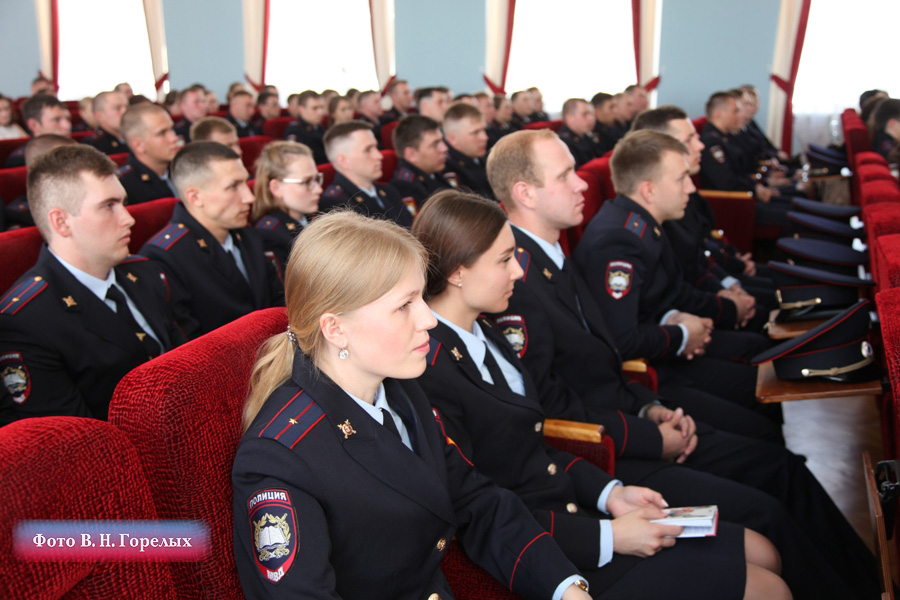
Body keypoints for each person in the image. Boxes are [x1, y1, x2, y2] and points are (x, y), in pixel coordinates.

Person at [485, 129, 881, 599]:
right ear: (525, 193)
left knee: (779, 470)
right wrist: (653, 434)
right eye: (566, 174)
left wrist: (652, 407)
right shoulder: (516, 284)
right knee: (772, 498)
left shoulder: (551, 259)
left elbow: (606, 361)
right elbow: (552, 409)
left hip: (633, 417)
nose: (584, 184)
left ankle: (867, 584)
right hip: (608, 454)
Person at [413, 190, 790, 599]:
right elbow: (481, 506)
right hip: (544, 552)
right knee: (767, 587)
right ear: (457, 272)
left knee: (763, 552)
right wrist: (606, 536)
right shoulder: (430, 370)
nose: (520, 273)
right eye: (505, 260)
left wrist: (612, 493)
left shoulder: (484, 333)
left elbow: (535, 447)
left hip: (573, 511)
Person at [232, 210, 592, 600]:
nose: (428, 319)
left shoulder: (401, 391)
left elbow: (477, 500)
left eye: (421, 297)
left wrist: (567, 588)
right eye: (404, 305)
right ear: (335, 329)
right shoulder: (280, 458)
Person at [574, 130, 773, 417]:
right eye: (681, 179)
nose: (690, 188)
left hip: (662, 345)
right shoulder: (619, 240)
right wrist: (681, 334)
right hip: (648, 373)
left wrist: (676, 318)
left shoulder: (644, 223)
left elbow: (663, 292)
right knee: (758, 389)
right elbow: (621, 339)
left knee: (758, 357)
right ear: (649, 190)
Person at [0, 145, 185, 425]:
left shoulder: (144, 272)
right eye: (108, 206)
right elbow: (71, 442)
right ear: (61, 222)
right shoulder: (27, 320)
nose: (128, 218)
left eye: (123, 203)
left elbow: (185, 364)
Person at [140, 142, 283, 338]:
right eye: (233, 186)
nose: (249, 197)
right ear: (195, 197)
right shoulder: (166, 256)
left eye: (245, 183)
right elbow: (188, 342)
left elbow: (278, 301)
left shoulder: (247, 234)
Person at [319, 121, 413, 226]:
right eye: (368, 150)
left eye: (376, 148)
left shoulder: (388, 190)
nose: (379, 156)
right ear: (344, 162)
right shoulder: (336, 204)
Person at [252, 141, 322, 269]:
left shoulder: (310, 215)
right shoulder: (271, 235)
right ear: (276, 188)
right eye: (306, 182)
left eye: (316, 179)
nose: (318, 189)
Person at [118, 104, 181, 204]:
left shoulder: (182, 170)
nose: (174, 138)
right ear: (138, 145)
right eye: (161, 133)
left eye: (171, 129)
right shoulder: (123, 186)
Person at [389, 115, 450, 210]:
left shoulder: (436, 171)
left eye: (442, 141)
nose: (444, 148)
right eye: (435, 144)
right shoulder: (406, 187)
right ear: (412, 154)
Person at [4, 94, 72, 168]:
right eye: (56, 120)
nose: (67, 126)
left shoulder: (78, 151)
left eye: (68, 118)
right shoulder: (19, 160)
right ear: (33, 125)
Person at [442, 102, 492, 198]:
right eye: (475, 132)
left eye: (484, 130)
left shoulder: (479, 157)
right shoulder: (449, 169)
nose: (484, 137)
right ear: (453, 139)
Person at [283, 90, 328, 164]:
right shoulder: (294, 131)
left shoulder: (320, 127)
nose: (320, 112)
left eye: (322, 108)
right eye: (315, 108)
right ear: (301, 109)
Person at [558, 98, 602, 169]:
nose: (592, 118)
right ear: (569, 118)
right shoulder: (563, 143)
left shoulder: (587, 135)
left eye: (592, 114)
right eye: (585, 114)